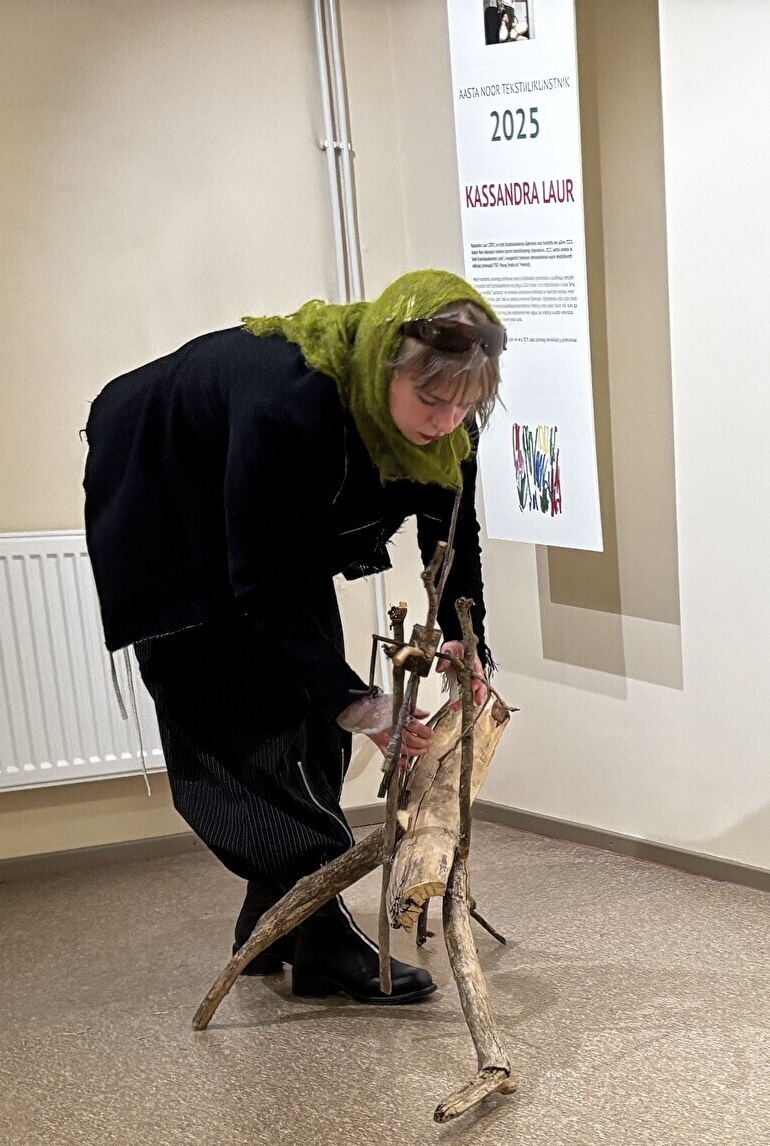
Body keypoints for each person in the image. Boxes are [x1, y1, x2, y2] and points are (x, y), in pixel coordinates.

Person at [83, 269, 505, 1003]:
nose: (446, 421)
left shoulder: (446, 418)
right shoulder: (289, 401)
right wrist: (364, 703)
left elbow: (452, 523)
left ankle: (276, 924)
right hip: (170, 510)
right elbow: (259, 582)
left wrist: (463, 635)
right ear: (385, 368)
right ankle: (320, 935)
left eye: (465, 404)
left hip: (271, 525)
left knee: (315, 724)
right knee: (240, 729)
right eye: (431, 400)